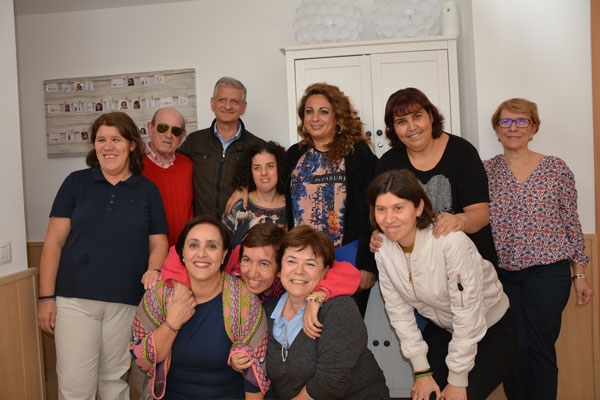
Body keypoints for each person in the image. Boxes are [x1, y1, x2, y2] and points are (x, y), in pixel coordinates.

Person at [37, 111, 169, 399]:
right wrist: (46, 298)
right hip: (75, 301)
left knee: (114, 383)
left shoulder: (148, 191)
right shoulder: (75, 183)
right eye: (101, 140)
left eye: (116, 139)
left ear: (131, 144)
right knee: (75, 386)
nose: (108, 146)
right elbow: (53, 243)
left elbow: (159, 243)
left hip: (126, 302)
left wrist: (154, 269)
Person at [368, 169, 517, 400]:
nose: (389, 219)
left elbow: (468, 315)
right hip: (445, 328)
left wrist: (457, 378)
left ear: (418, 207)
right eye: (381, 209)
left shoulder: (450, 242)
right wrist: (421, 371)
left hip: (492, 329)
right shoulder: (383, 249)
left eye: (398, 208)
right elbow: (398, 312)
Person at [484, 98, 594, 400]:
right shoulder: (485, 171)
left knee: (540, 348)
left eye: (522, 121)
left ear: (533, 128)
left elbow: (571, 222)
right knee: (513, 349)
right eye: (506, 122)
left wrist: (579, 275)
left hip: (548, 273)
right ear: (497, 129)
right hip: (503, 276)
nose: (513, 128)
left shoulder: (556, 168)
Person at [130, 216, 269, 399]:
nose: (201, 253)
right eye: (193, 245)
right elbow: (141, 359)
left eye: (212, 246)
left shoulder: (244, 302)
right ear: (182, 252)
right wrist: (172, 323)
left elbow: (255, 379)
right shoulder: (160, 295)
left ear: (224, 255)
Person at [371, 87, 497, 267]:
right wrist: (379, 233)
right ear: (393, 128)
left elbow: (481, 214)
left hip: (467, 265)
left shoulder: (463, 153)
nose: (412, 127)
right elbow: (383, 214)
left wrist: (459, 220)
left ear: (430, 116)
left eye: (417, 116)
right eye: (401, 121)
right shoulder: (387, 164)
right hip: (417, 267)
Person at [264, 224, 389, 399]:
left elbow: (330, 382)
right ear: (279, 269)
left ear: (325, 271)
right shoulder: (268, 311)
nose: (299, 271)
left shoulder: (339, 308)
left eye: (310, 264)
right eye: (291, 261)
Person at [286, 82, 378, 317]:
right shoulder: (294, 155)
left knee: (343, 327)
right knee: (306, 327)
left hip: (347, 258)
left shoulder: (358, 154)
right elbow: (270, 190)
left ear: (338, 117)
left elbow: (371, 210)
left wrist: (367, 264)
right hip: (302, 261)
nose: (315, 118)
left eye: (324, 111)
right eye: (309, 111)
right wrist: (242, 189)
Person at [178, 76, 265, 218]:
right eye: (222, 100)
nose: (228, 106)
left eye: (235, 101)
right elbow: (171, 166)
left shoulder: (258, 146)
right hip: (203, 227)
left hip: (239, 228)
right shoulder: (194, 141)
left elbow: (271, 182)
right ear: (212, 103)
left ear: (243, 107)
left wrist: (248, 187)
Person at [142, 107, 193, 246]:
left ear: (182, 136)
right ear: (150, 128)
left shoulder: (188, 165)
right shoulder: (133, 166)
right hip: (148, 253)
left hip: (184, 252)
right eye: (163, 127)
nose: (169, 135)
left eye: (176, 131)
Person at [222, 141, 287, 246]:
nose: (264, 172)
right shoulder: (237, 208)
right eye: (257, 167)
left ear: (280, 168)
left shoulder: (293, 207)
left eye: (270, 166)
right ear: (249, 171)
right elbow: (223, 249)